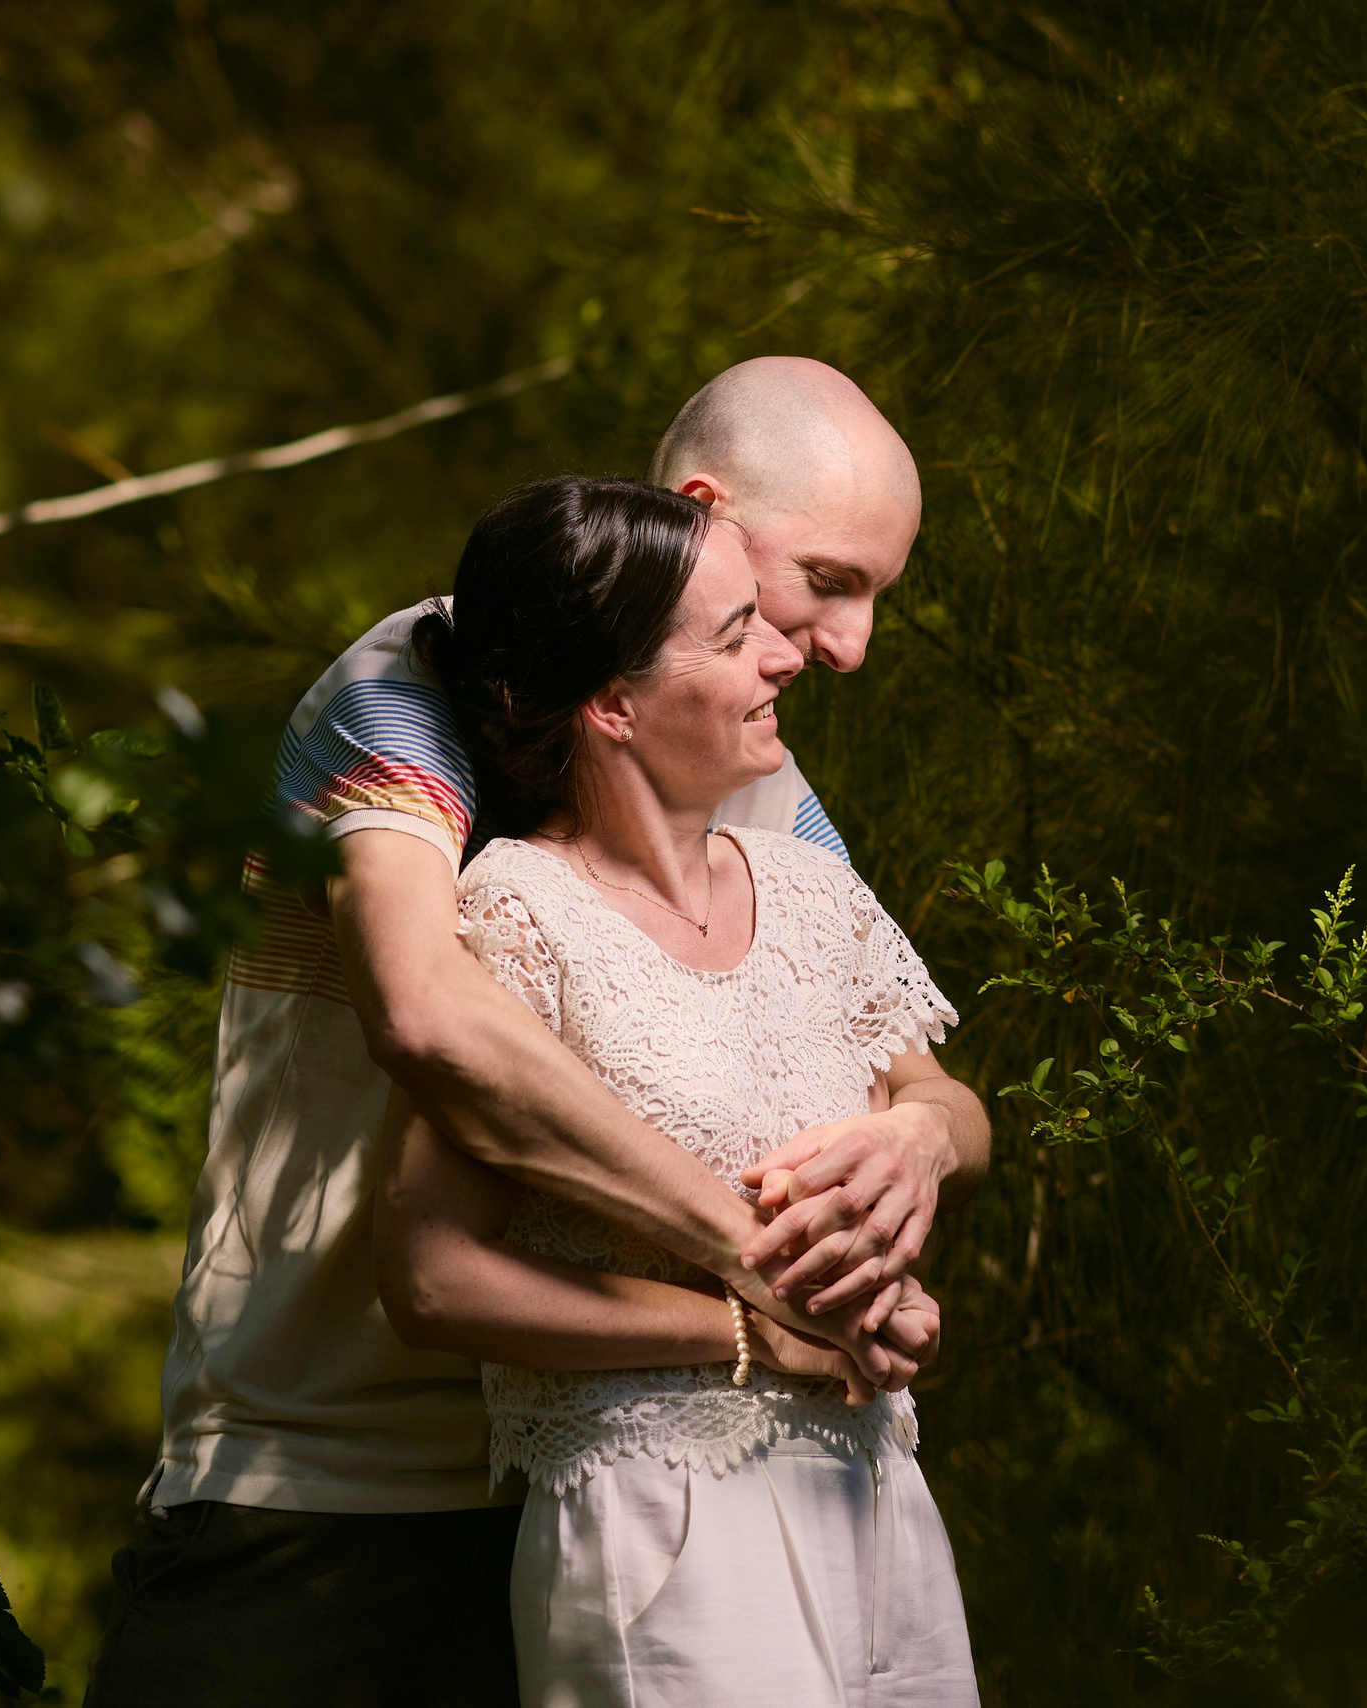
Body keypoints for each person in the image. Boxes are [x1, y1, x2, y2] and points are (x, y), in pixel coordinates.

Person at [84, 358, 989, 1708]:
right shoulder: (416, 684)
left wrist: (920, 1138)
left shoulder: (744, 766)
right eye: (834, 581)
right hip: (334, 1475)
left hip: (627, 1482)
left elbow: (904, 1059)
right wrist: (762, 1273)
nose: (851, 643)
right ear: (706, 516)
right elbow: (430, 1015)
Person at [375, 475, 976, 1705]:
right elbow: (429, 1275)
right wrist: (753, 1333)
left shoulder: (806, 887)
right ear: (610, 702)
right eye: (732, 633)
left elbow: (950, 1105)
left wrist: (909, 1179)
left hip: (875, 1496)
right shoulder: (518, 914)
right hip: (660, 1525)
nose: (783, 656)